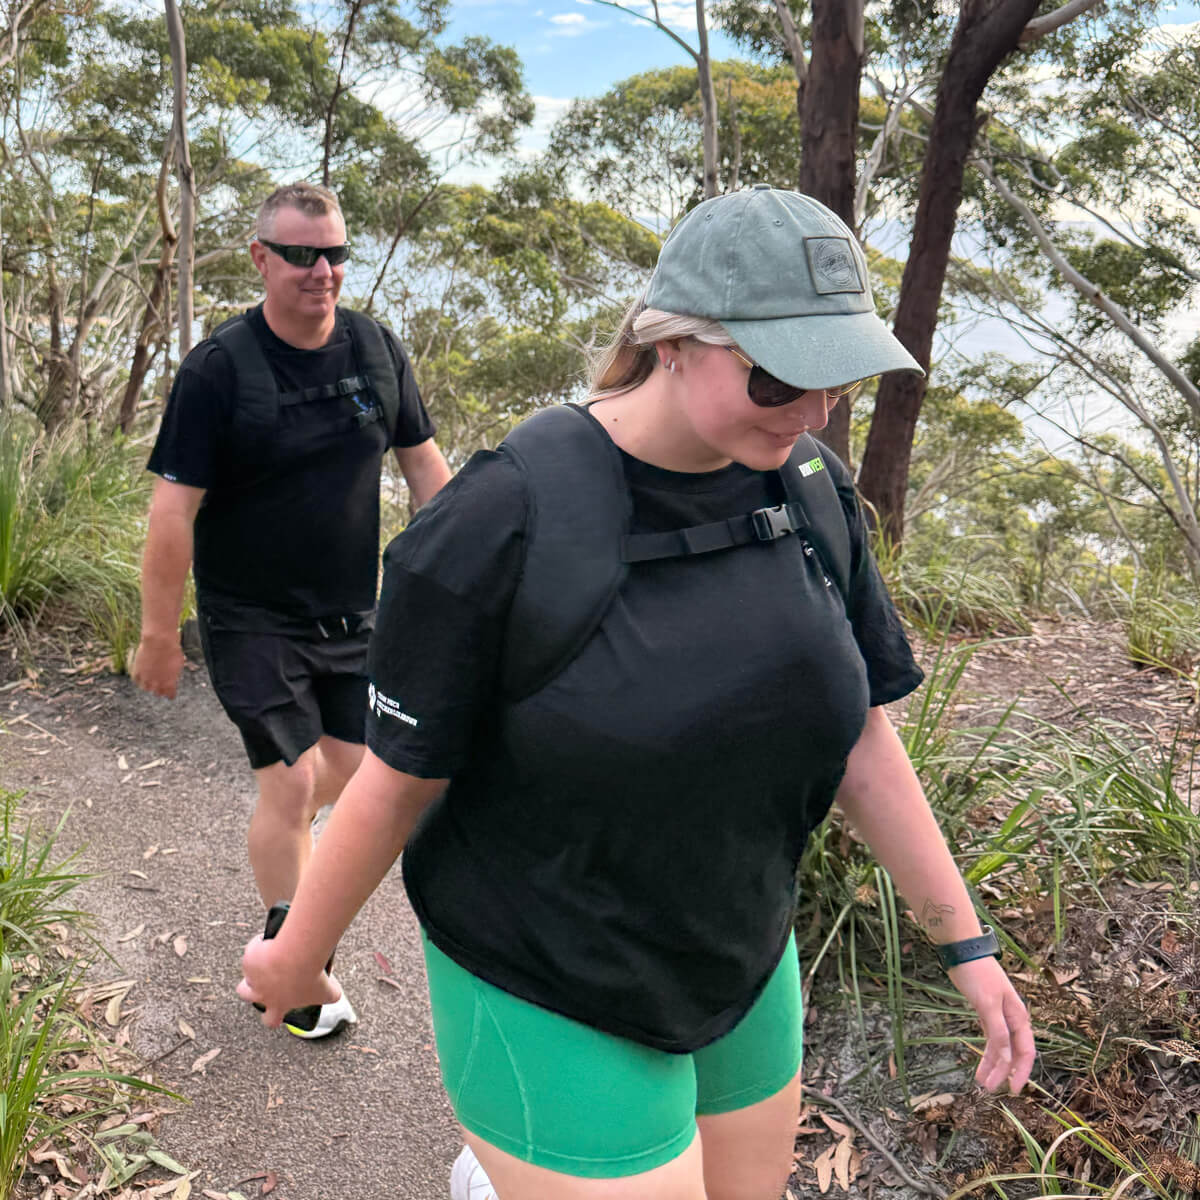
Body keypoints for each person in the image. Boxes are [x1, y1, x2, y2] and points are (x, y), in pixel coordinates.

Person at [238, 185, 1035, 1197]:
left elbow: (861, 740)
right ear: (673, 341)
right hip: (546, 968)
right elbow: (396, 780)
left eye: (840, 377)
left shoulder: (811, 495)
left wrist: (965, 943)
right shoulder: (504, 516)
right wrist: (296, 956)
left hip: (737, 954)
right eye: (783, 375)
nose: (816, 412)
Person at [134, 181, 451, 1039]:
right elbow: (173, 511)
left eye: (336, 253)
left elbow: (426, 469)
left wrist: (466, 585)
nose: (323, 272)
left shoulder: (376, 350)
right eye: (303, 255)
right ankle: (292, 957)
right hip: (249, 616)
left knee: (348, 771)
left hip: (355, 614)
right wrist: (158, 635)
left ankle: (293, 849)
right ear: (261, 258)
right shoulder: (219, 370)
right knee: (292, 779)